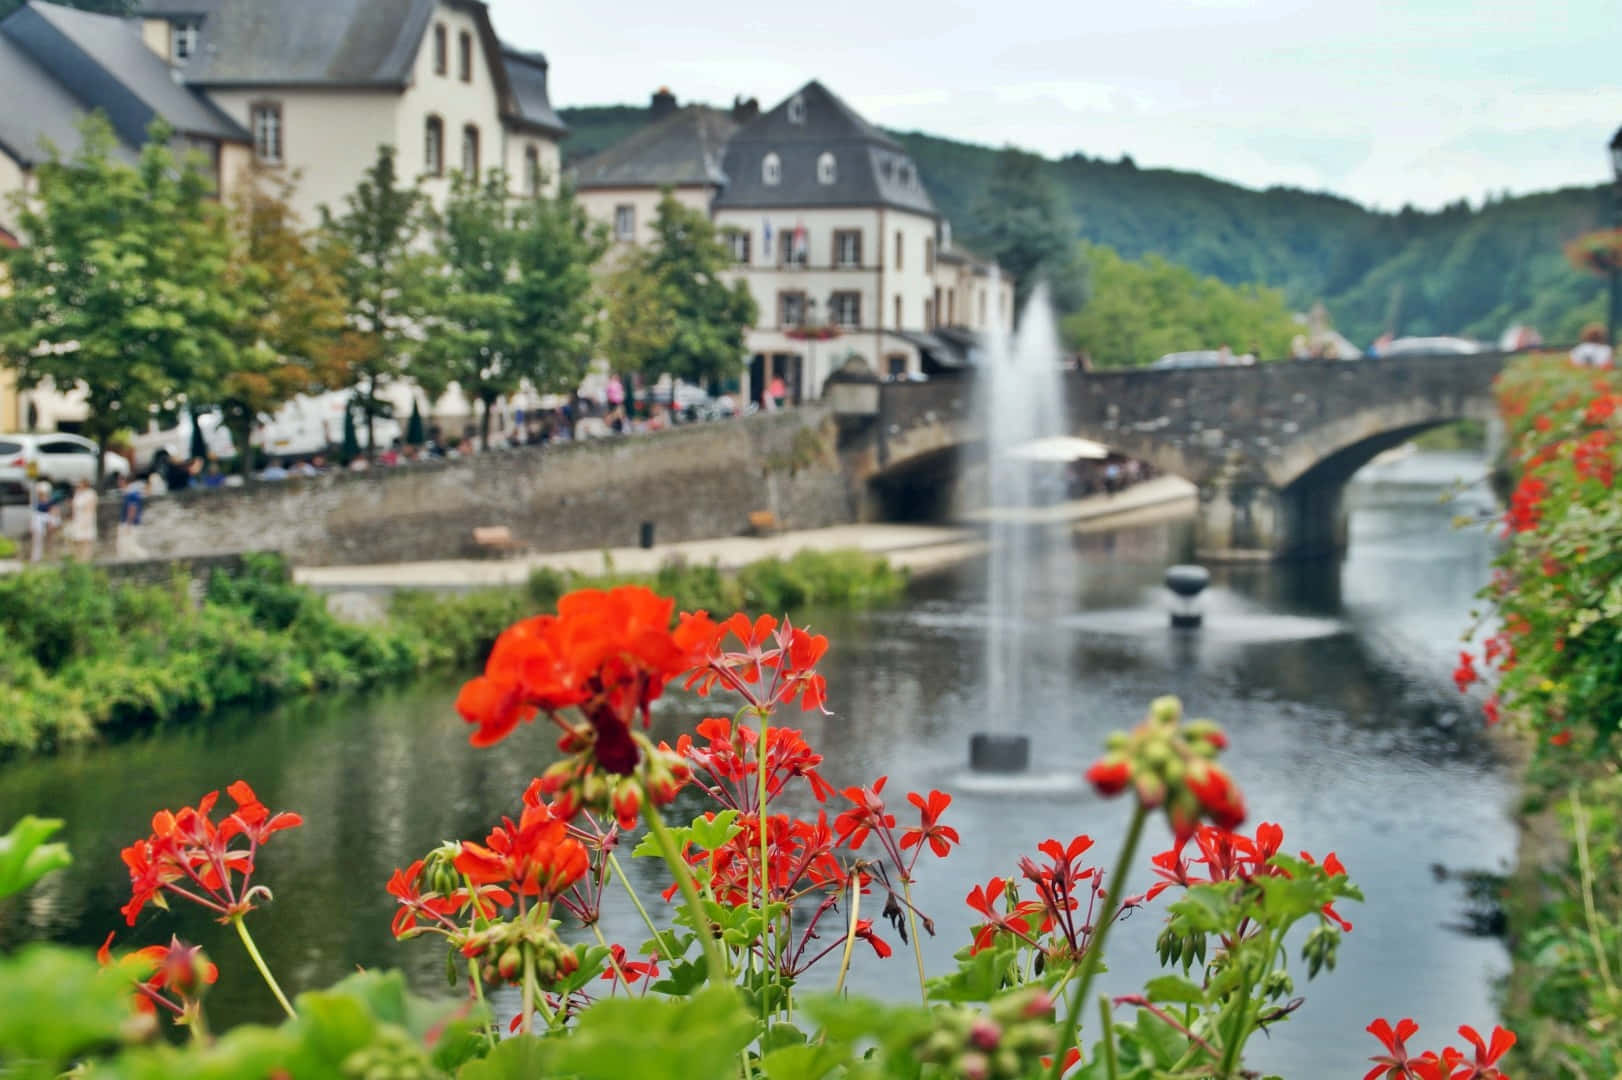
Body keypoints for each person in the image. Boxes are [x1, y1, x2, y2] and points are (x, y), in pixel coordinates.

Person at [115, 473, 146, 559]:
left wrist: (128, 523)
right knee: (125, 546)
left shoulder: (132, 493)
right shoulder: (130, 492)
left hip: (129, 523)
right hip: (129, 523)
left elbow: (132, 509)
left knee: (129, 545)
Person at [66, 478, 97, 562]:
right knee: (77, 539)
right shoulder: (78, 494)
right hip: (78, 518)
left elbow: (91, 507)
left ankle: (86, 558)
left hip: (86, 518)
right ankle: (78, 558)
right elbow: (73, 506)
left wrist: (86, 520)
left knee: (86, 539)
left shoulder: (91, 493)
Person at [29, 480, 57, 563]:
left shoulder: (50, 502)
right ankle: (36, 558)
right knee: (37, 541)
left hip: (46, 523)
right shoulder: (36, 502)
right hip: (38, 524)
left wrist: (51, 523)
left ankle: (50, 558)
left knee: (49, 542)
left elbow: (53, 513)